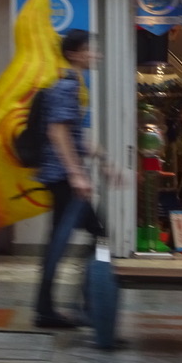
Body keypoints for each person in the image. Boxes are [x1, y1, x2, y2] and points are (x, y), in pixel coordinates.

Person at [33, 28, 106, 329]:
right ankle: (58, 308)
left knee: (75, 239)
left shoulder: (73, 84)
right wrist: (77, 175)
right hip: (65, 178)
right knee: (86, 237)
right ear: (75, 53)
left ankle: (57, 307)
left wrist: (104, 160)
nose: (95, 54)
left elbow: (72, 135)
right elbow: (58, 131)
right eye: (90, 49)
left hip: (65, 177)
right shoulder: (67, 86)